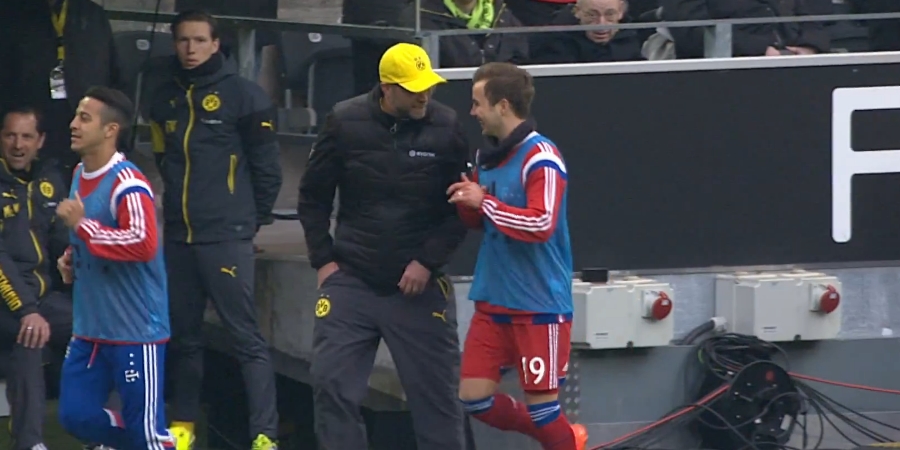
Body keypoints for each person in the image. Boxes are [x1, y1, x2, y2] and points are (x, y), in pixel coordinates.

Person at [296, 42, 470, 449]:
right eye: (413, 89)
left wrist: (427, 261)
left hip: (418, 284)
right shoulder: (345, 120)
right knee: (331, 386)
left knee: (439, 400)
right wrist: (323, 261)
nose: (424, 96)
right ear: (387, 88)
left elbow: (461, 209)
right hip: (352, 276)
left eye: (428, 86)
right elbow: (313, 195)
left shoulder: (446, 126)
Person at [147, 10, 283, 450]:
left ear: (216, 44)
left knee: (246, 339)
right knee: (184, 337)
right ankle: (183, 426)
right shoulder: (164, 97)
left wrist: (248, 223)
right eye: (183, 41)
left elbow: (267, 169)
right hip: (179, 236)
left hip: (226, 235)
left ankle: (265, 433)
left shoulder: (245, 96)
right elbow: (164, 159)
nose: (191, 49)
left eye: (199, 40)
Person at [448, 62, 588, 450]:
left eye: (478, 103)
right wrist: (467, 204)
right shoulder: (488, 157)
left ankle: (561, 438)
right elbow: (486, 221)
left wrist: (484, 202)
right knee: (474, 399)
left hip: (538, 304)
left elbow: (541, 223)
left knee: (544, 410)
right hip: (493, 300)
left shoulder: (542, 157)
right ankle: (565, 437)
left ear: (503, 106)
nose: (473, 112)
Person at [53, 86, 174, 450]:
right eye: (76, 116)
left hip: (135, 331)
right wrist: (72, 256)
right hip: (90, 329)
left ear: (110, 130)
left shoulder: (129, 184)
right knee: (75, 416)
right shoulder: (79, 173)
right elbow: (92, 235)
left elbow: (142, 242)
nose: (73, 124)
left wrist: (82, 227)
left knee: (145, 431)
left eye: (84, 118)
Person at [0, 106, 73, 450]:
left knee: (100, 328)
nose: (18, 145)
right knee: (29, 336)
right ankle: (29, 444)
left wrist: (74, 259)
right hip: (9, 303)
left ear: (40, 141)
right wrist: (27, 309)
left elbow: (62, 240)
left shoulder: (50, 181)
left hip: (44, 298)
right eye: (10, 136)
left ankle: (105, 431)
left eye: (26, 137)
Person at [0, 0, 123, 187]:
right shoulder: (11, 12)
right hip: (28, 124)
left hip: (80, 120)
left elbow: (113, 75)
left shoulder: (92, 15)